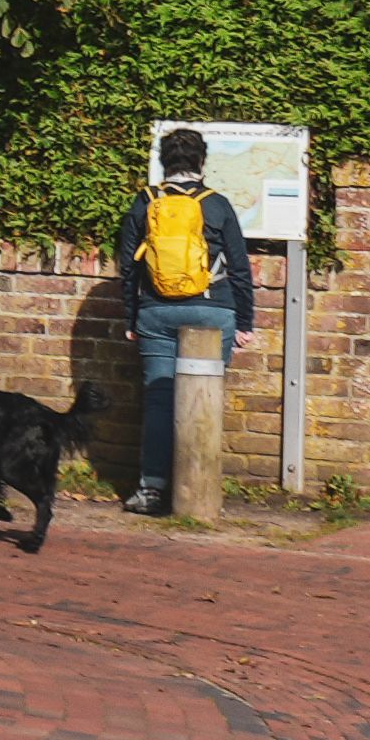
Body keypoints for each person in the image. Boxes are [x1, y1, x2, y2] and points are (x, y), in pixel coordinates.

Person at [123, 126, 254, 516]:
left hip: (157, 310)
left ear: (163, 162)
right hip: (213, 309)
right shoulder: (217, 204)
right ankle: (197, 491)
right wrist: (245, 320)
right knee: (203, 399)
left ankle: (151, 490)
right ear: (202, 162)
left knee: (160, 400)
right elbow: (241, 268)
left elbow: (128, 268)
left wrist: (132, 316)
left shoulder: (145, 201)